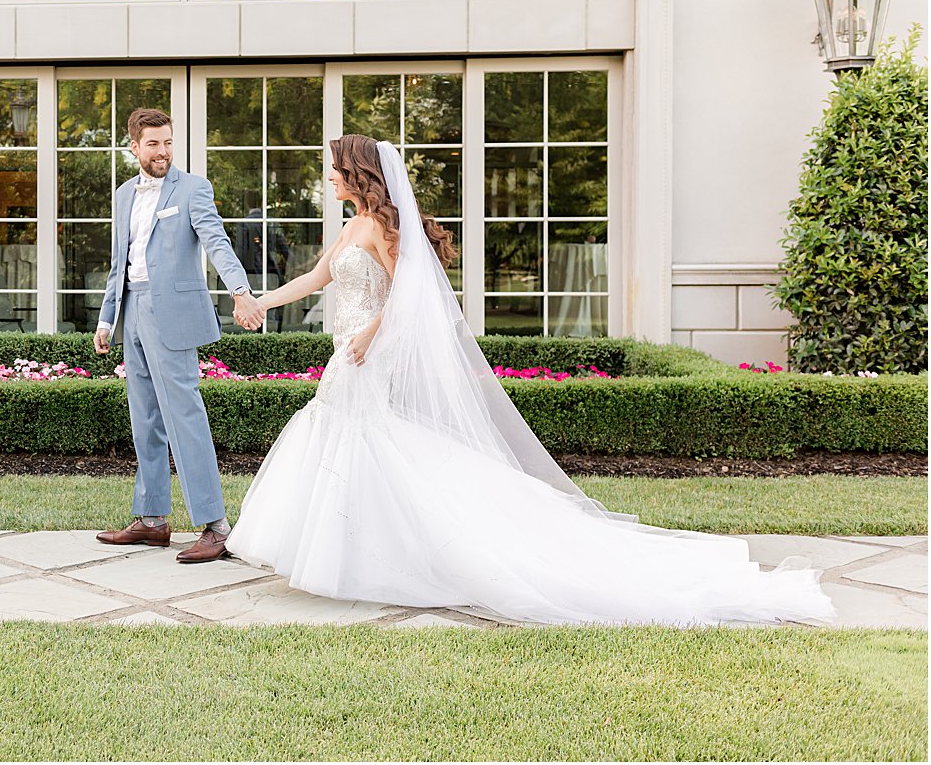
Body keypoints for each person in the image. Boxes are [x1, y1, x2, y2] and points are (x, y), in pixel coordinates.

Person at [224, 134, 835, 626]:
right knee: (348, 447)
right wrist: (258, 302)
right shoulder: (352, 226)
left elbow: (414, 297)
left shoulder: (387, 229)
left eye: (333, 168)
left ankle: (398, 554)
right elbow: (314, 280)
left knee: (370, 447)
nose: (326, 176)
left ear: (356, 174)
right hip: (346, 354)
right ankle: (351, 557)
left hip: (368, 355)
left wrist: (370, 334)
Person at [93, 108, 264, 564]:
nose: (163, 151)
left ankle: (216, 526)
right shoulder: (124, 194)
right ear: (134, 147)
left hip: (173, 316)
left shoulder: (192, 189)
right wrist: (107, 319)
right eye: (153, 144)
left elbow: (217, 242)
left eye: (168, 142)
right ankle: (152, 520)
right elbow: (119, 263)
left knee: (184, 417)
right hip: (132, 312)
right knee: (144, 418)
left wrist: (241, 291)